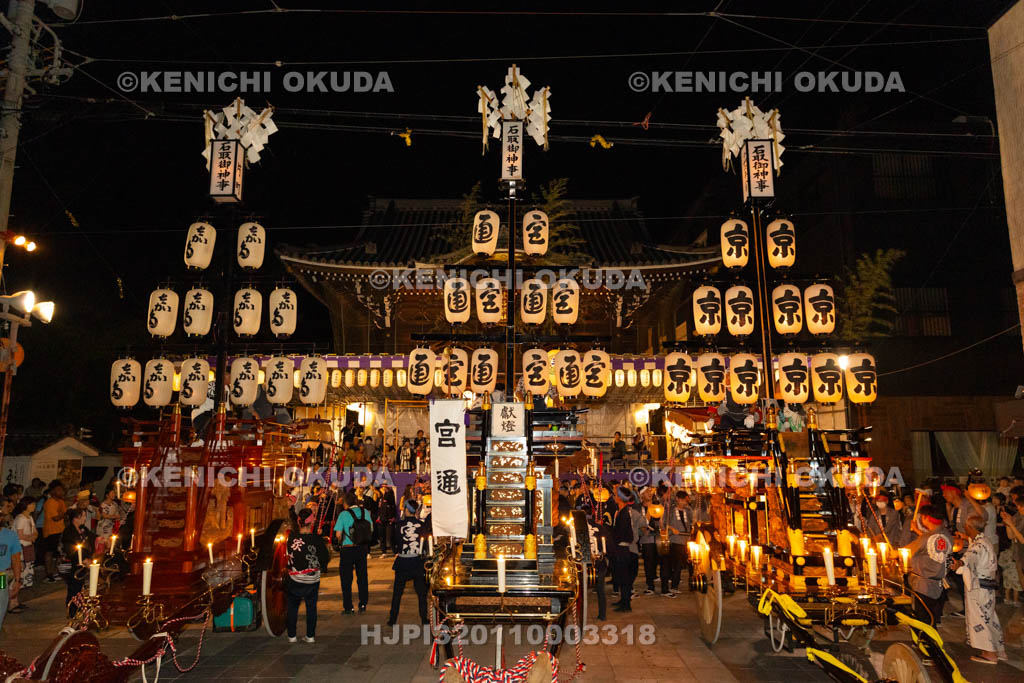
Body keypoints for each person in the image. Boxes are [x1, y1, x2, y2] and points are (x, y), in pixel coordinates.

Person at [951, 515, 1005, 664]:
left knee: (981, 619)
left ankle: (989, 653)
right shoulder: (985, 541)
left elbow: (969, 557)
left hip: (979, 588)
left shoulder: (977, 546)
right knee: (990, 617)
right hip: (987, 587)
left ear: (970, 527)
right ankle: (999, 650)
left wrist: (959, 563)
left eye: (966, 527)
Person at [284, 508, 329, 643]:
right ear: (312, 522)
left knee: (292, 606)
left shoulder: (291, 537)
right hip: (311, 579)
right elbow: (324, 558)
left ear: (299, 522)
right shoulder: (316, 539)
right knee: (311, 607)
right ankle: (310, 636)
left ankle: (292, 635)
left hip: (295, 578)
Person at [904, 505, 953, 625]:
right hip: (939, 586)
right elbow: (929, 540)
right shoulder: (947, 535)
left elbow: (907, 551)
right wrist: (917, 531)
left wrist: (892, 553)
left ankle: (926, 637)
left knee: (922, 622)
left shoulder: (926, 538)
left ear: (926, 518)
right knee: (931, 619)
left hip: (924, 586)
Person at [387, 499, 430, 626]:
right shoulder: (421, 525)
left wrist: (396, 550)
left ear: (406, 510)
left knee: (397, 593)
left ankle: (392, 619)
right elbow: (426, 544)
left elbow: (392, 541)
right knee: (421, 593)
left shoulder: (399, 525)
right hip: (417, 562)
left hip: (402, 561)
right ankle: (424, 618)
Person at [335, 490, 372, 614]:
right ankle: (363, 603)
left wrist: (340, 540)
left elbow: (338, 534)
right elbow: (371, 529)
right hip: (362, 548)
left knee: (346, 579)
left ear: (345, 503)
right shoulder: (365, 512)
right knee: (362, 577)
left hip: (347, 549)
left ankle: (348, 606)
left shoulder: (343, 514)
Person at [59, 507, 94, 617]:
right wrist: (83, 559)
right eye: (83, 516)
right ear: (75, 518)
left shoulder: (82, 528)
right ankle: (72, 612)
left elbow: (91, 537)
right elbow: (70, 549)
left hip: (80, 563)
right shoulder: (69, 531)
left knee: (79, 587)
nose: (85, 518)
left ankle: (79, 608)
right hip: (70, 564)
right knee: (73, 588)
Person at [610, 487, 636, 612]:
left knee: (624, 578)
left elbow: (621, 533)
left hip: (622, 549)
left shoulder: (624, 513)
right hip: (619, 547)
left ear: (620, 498)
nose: (614, 497)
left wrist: (611, 541)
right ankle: (623, 600)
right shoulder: (620, 511)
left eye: (616, 495)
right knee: (621, 577)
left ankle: (626, 604)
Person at [665, 490, 692, 593]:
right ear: (677, 499)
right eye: (682, 500)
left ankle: (674, 582)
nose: (684, 502)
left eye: (685, 500)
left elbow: (691, 522)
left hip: (684, 539)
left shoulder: (687, 511)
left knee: (680, 564)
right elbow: (664, 523)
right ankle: (674, 586)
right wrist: (672, 529)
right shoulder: (670, 510)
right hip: (675, 539)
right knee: (677, 563)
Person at [0, 511, 23, 630]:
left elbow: (16, 559)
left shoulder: (10, 535)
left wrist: (17, 580)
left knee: (1, 602)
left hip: (1, 576)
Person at [586, 512, 610, 620]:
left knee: (598, 589)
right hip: (599, 563)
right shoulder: (600, 528)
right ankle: (602, 614)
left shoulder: (580, 529)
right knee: (601, 590)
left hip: (593, 562)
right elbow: (608, 544)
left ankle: (600, 614)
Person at [42, 481, 67, 582]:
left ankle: (56, 571)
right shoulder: (50, 502)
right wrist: (64, 514)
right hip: (51, 531)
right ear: (52, 491)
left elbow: (64, 514)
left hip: (61, 530)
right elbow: (56, 518)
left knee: (59, 553)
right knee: (49, 552)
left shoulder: (61, 502)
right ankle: (48, 573)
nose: (61, 492)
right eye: (58, 490)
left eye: (61, 490)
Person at [12, 497, 37, 593]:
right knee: (21, 567)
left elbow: (35, 531)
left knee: (28, 566)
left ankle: (25, 584)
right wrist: (30, 538)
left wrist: (33, 536)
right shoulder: (20, 518)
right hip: (21, 546)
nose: (34, 506)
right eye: (31, 504)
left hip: (28, 545)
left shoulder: (29, 517)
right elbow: (19, 535)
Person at [95, 487, 120, 555]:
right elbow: (104, 515)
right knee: (104, 545)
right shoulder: (103, 504)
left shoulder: (115, 504)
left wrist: (118, 519)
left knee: (111, 544)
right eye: (112, 493)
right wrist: (115, 516)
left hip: (112, 527)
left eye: (114, 493)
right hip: (104, 527)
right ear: (107, 495)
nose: (114, 494)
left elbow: (117, 513)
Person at [377, 484, 397, 556]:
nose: (383, 488)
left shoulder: (390, 495)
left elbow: (393, 506)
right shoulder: (380, 496)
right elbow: (378, 507)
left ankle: (395, 551)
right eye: (383, 486)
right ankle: (383, 552)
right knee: (382, 536)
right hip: (382, 518)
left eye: (385, 486)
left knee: (391, 536)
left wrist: (393, 517)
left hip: (389, 519)